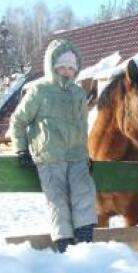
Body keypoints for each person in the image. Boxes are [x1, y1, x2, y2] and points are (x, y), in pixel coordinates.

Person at [9, 39, 96, 253]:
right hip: (49, 156)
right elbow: (18, 121)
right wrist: (21, 149)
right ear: (52, 67)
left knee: (84, 193)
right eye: (62, 67)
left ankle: (85, 242)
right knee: (58, 201)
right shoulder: (39, 91)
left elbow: (82, 127)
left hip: (76, 155)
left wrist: (86, 154)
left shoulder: (78, 94)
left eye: (71, 68)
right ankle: (64, 245)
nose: (66, 72)